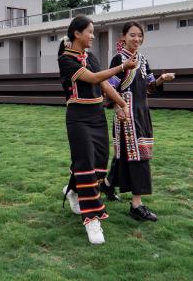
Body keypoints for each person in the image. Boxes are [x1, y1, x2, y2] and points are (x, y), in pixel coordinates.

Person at [58, 15, 137, 245]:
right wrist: (121, 67)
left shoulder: (90, 57)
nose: (93, 36)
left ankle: (72, 190)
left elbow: (103, 85)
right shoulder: (66, 59)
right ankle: (91, 219)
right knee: (85, 165)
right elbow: (93, 78)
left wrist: (121, 104)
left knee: (98, 166)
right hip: (78, 119)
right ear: (77, 33)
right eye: (90, 32)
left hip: (97, 117)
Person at [106, 21, 175, 222]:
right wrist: (119, 108)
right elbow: (109, 88)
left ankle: (107, 185)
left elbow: (150, 87)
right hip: (126, 114)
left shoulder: (143, 60)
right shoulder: (119, 59)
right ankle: (137, 205)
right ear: (123, 37)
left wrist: (162, 79)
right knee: (139, 156)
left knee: (124, 154)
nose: (137, 39)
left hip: (142, 112)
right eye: (132, 35)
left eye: (140, 35)